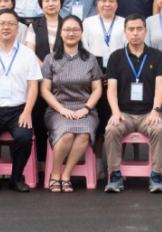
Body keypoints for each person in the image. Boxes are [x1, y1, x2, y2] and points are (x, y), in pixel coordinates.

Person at [0, 9, 44, 192]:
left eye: (11, 24)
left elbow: (33, 86)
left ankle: (16, 179)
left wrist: (27, 112)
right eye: (2, 24)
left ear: (17, 28)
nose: (6, 27)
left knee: (24, 138)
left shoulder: (27, 54)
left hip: (19, 110)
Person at [104, 14, 162, 193]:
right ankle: (115, 175)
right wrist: (115, 112)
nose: (135, 33)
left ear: (145, 31)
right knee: (111, 130)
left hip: (148, 113)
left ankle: (156, 175)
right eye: (131, 29)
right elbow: (111, 89)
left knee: (159, 130)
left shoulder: (157, 56)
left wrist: (156, 111)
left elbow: (160, 87)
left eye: (139, 29)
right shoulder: (116, 57)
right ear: (125, 32)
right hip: (123, 113)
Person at [40, 15, 104, 193]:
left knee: (84, 133)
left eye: (75, 30)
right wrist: (61, 109)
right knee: (67, 133)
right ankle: (55, 173)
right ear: (60, 33)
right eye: (67, 29)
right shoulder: (50, 59)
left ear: (81, 33)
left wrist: (86, 108)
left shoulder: (90, 59)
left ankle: (66, 174)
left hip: (85, 108)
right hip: (57, 108)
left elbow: (97, 89)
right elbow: (44, 90)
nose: (71, 33)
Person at [25, 0, 67, 167]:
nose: (51, 3)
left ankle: (62, 162)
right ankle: (42, 162)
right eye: (46, 0)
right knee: (39, 120)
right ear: (41, 4)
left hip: (65, 80)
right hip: (40, 80)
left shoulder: (68, 24)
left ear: (61, 2)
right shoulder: (34, 26)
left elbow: (73, 50)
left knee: (64, 121)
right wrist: (47, 68)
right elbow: (29, 52)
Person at [82, 0, 127, 71]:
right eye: (103, 0)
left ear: (117, 4)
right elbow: (84, 46)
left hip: (119, 63)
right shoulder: (88, 22)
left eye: (111, 1)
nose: (107, 4)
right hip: (93, 64)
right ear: (98, 3)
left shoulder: (124, 22)